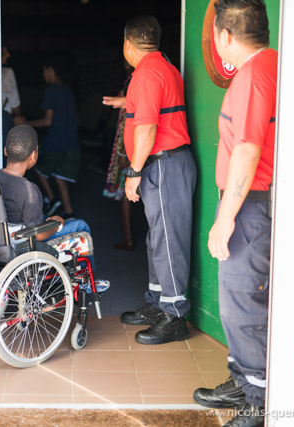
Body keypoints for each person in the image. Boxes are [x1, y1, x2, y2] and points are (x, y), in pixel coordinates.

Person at [193, 1, 277, 425]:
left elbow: (247, 150)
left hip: (249, 207)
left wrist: (224, 220)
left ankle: (257, 403)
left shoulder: (253, 76)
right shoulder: (270, 65)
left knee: (242, 307)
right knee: (241, 301)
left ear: (224, 36)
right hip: (252, 203)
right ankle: (243, 382)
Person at [119, 16, 197, 345]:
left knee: (167, 242)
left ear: (128, 44)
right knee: (157, 240)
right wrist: (126, 103)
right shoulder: (163, 66)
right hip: (166, 163)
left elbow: (148, 127)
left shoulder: (146, 73)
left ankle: (174, 315)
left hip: (163, 163)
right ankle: (157, 303)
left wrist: (133, 172)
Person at [0, 125, 108, 291]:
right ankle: (87, 282)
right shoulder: (29, 190)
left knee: (42, 216)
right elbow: (39, 235)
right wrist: (57, 224)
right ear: (34, 155)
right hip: (21, 245)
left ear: (6, 151)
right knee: (81, 225)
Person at [16, 59, 80, 219]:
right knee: (60, 176)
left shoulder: (51, 92)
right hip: (71, 141)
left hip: (55, 141)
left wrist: (26, 123)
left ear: (50, 70)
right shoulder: (68, 92)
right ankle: (69, 212)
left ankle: (52, 199)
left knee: (38, 167)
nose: (43, 75)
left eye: (44, 71)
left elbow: (47, 121)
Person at [102, 64, 134, 251]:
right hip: (128, 144)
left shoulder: (134, 82)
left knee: (126, 193)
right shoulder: (131, 81)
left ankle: (128, 238)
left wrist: (123, 152)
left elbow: (130, 119)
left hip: (128, 146)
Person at [1, 41, 21, 165]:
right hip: (4, 122)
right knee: (5, 160)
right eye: (5, 52)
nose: (8, 55)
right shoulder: (7, 73)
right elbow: (15, 105)